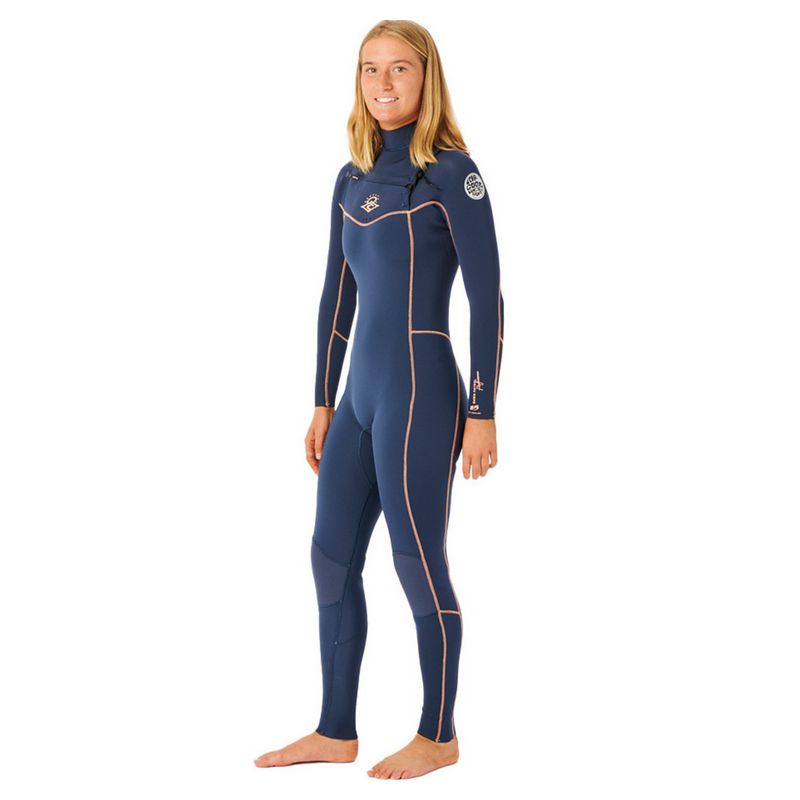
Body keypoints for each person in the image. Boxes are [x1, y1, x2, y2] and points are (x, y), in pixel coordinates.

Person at [255, 19, 504, 780]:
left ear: (427, 78)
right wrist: (322, 401)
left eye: (400, 68)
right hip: (358, 397)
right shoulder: (351, 179)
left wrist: (483, 411)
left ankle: (438, 734)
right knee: (329, 558)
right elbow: (336, 295)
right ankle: (335, 730)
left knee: (416, 560)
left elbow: (488, 298)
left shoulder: (452, 174)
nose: (384, 83)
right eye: (370, 69)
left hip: (421, 391)